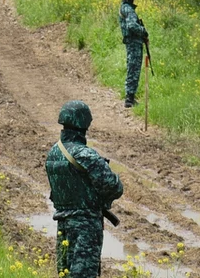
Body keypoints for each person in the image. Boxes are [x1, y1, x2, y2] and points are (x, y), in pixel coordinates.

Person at [45, 100, 123, 278]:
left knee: (65, 273)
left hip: (63, 225)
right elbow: (114, 187)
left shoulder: (53, 153)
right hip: (85, 228)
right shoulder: (85, 155)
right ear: (84, 123)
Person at [118, 0, 148, 108]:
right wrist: (143, 31)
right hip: (134, 43)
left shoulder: (124, 8)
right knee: (134, 68)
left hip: (132, 42)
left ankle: (130, 97)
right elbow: (131, 26)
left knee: (133, 67)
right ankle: (129, 98)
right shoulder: (128, 9)